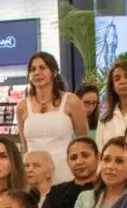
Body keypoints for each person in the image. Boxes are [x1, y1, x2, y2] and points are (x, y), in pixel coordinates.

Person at [15, 50, 87, 179]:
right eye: (33, 69)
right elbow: (24, 146)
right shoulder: (22, 107)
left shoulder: (71, 101)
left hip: (65, 173)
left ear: (53, 72)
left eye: (42, 67)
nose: (37, 72)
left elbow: (83, 141)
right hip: (34, 175)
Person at [34, 140, 93, 208]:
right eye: (73, 158)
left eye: (85, 155)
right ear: (67, 162)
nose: (79, 162)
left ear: (98, 157)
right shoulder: (58, 190)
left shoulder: (105, 189)